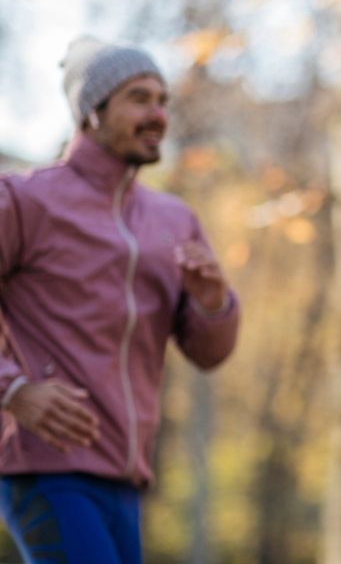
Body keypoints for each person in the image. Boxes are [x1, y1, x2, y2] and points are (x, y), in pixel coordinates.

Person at [0, 37, 241, 563]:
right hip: (46, 463)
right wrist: (14, 389)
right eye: (138, 98)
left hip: (127, 474)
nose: (157, 114)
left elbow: (209, 352)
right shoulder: (24, 200)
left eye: (162, 100)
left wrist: (212, 302)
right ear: (91, 113)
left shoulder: (173, 220)